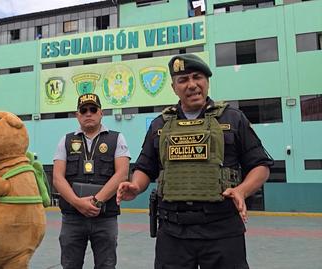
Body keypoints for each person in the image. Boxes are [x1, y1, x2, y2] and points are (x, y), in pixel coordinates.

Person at [117, 54, 273, 269]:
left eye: (197, 77)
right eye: (183, 80)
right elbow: (145, 167)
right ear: (174, 87)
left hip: (222, 229)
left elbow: (260, 166)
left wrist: (242, 190)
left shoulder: (233, 119)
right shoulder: (159, 125)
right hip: (173, 232)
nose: (191, 85)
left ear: (207, 81)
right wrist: (135, 186)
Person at [53, 93, 131, 269]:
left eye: (93, 109)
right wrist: (77, 203)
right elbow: (57, 177)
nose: (89, 113)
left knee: (106, 265)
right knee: (70, 265)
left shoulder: (116, 138)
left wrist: (96, 201)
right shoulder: (65, 141)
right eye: (83, 110)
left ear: (101, 113)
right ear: (77, 115)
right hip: (73, 217)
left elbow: (122, 173)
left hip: (104, 217)